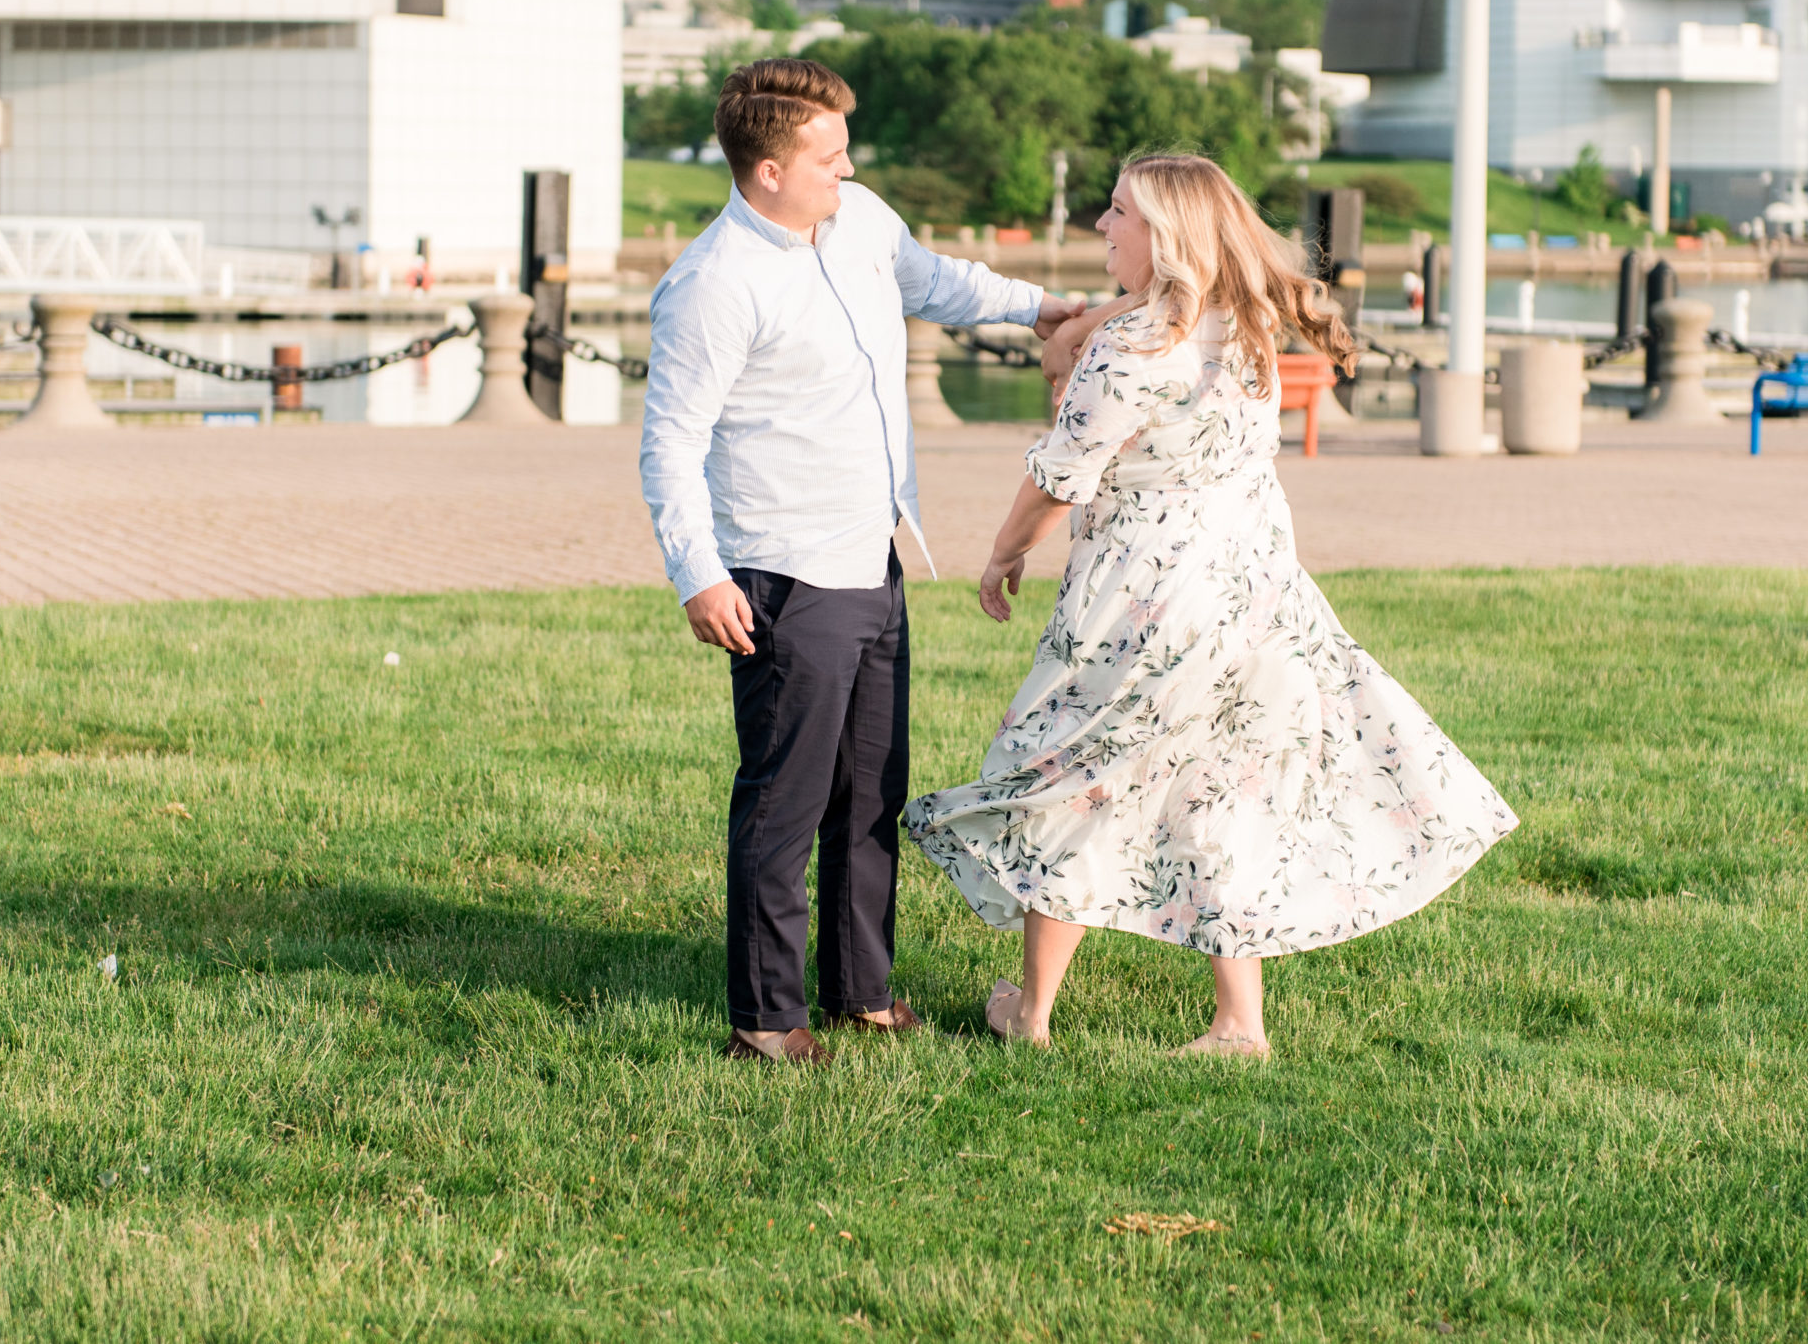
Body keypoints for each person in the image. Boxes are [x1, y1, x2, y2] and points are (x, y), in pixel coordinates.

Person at [904, 154, 1519, 1056]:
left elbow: (1060, 477)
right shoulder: (1249, 326)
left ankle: (1031, 1016)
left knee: (1070, 774)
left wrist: (1002, 551)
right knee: (1222, 788)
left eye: (1118, 214)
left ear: (1164, 235)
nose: (1102, 228)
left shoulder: (1133, 348)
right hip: (1253, 595)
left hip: (1144, 603)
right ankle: (1239, 1022)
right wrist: (1100, 317)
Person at [640, 57, 1082, 1066]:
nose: (848, 167)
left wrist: (1042, 305)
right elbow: (669, 441)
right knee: (785, 801)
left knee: (871, 791)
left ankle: (862, 991)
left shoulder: (860, 220)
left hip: (873, 556)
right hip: (782, 572)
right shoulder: (711, 284)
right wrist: (697, 575)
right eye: (829, 155)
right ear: (766, 171)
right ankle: (763, 1018)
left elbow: (938, 281)